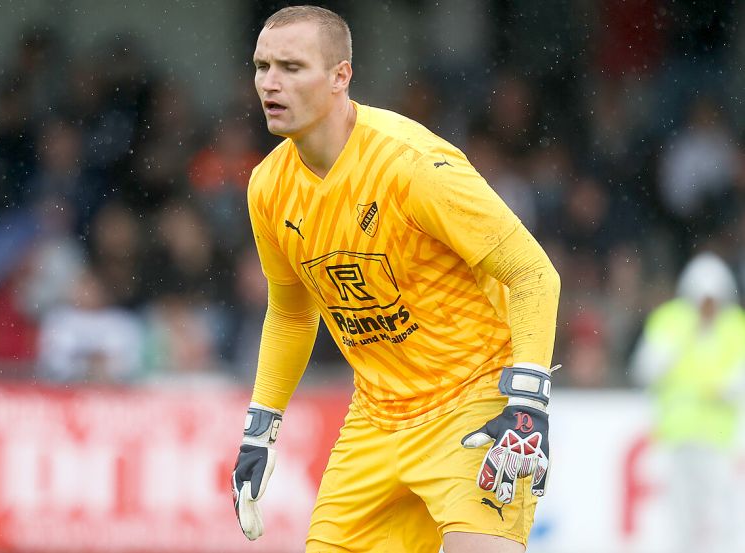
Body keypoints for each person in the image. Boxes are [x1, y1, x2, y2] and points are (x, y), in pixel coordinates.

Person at [230, 6, 561, 553]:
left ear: (340, 76)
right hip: (376, 418)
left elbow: (532, 273)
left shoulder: (413, 165)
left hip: (471, 403)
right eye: (262, 66)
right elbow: (290, 312)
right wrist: (259, 430)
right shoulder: (267, 187)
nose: (270, 83)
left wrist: (528, 405)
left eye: (291, 67)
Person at [630, 252, 745, 553]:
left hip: (718, 438)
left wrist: (726, 388)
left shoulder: (735, 325)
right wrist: (679, 342)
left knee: (720, 511)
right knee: (680, 512)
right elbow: (646, 368)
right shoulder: (670, 320)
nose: (708, 308)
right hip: (677, 435)